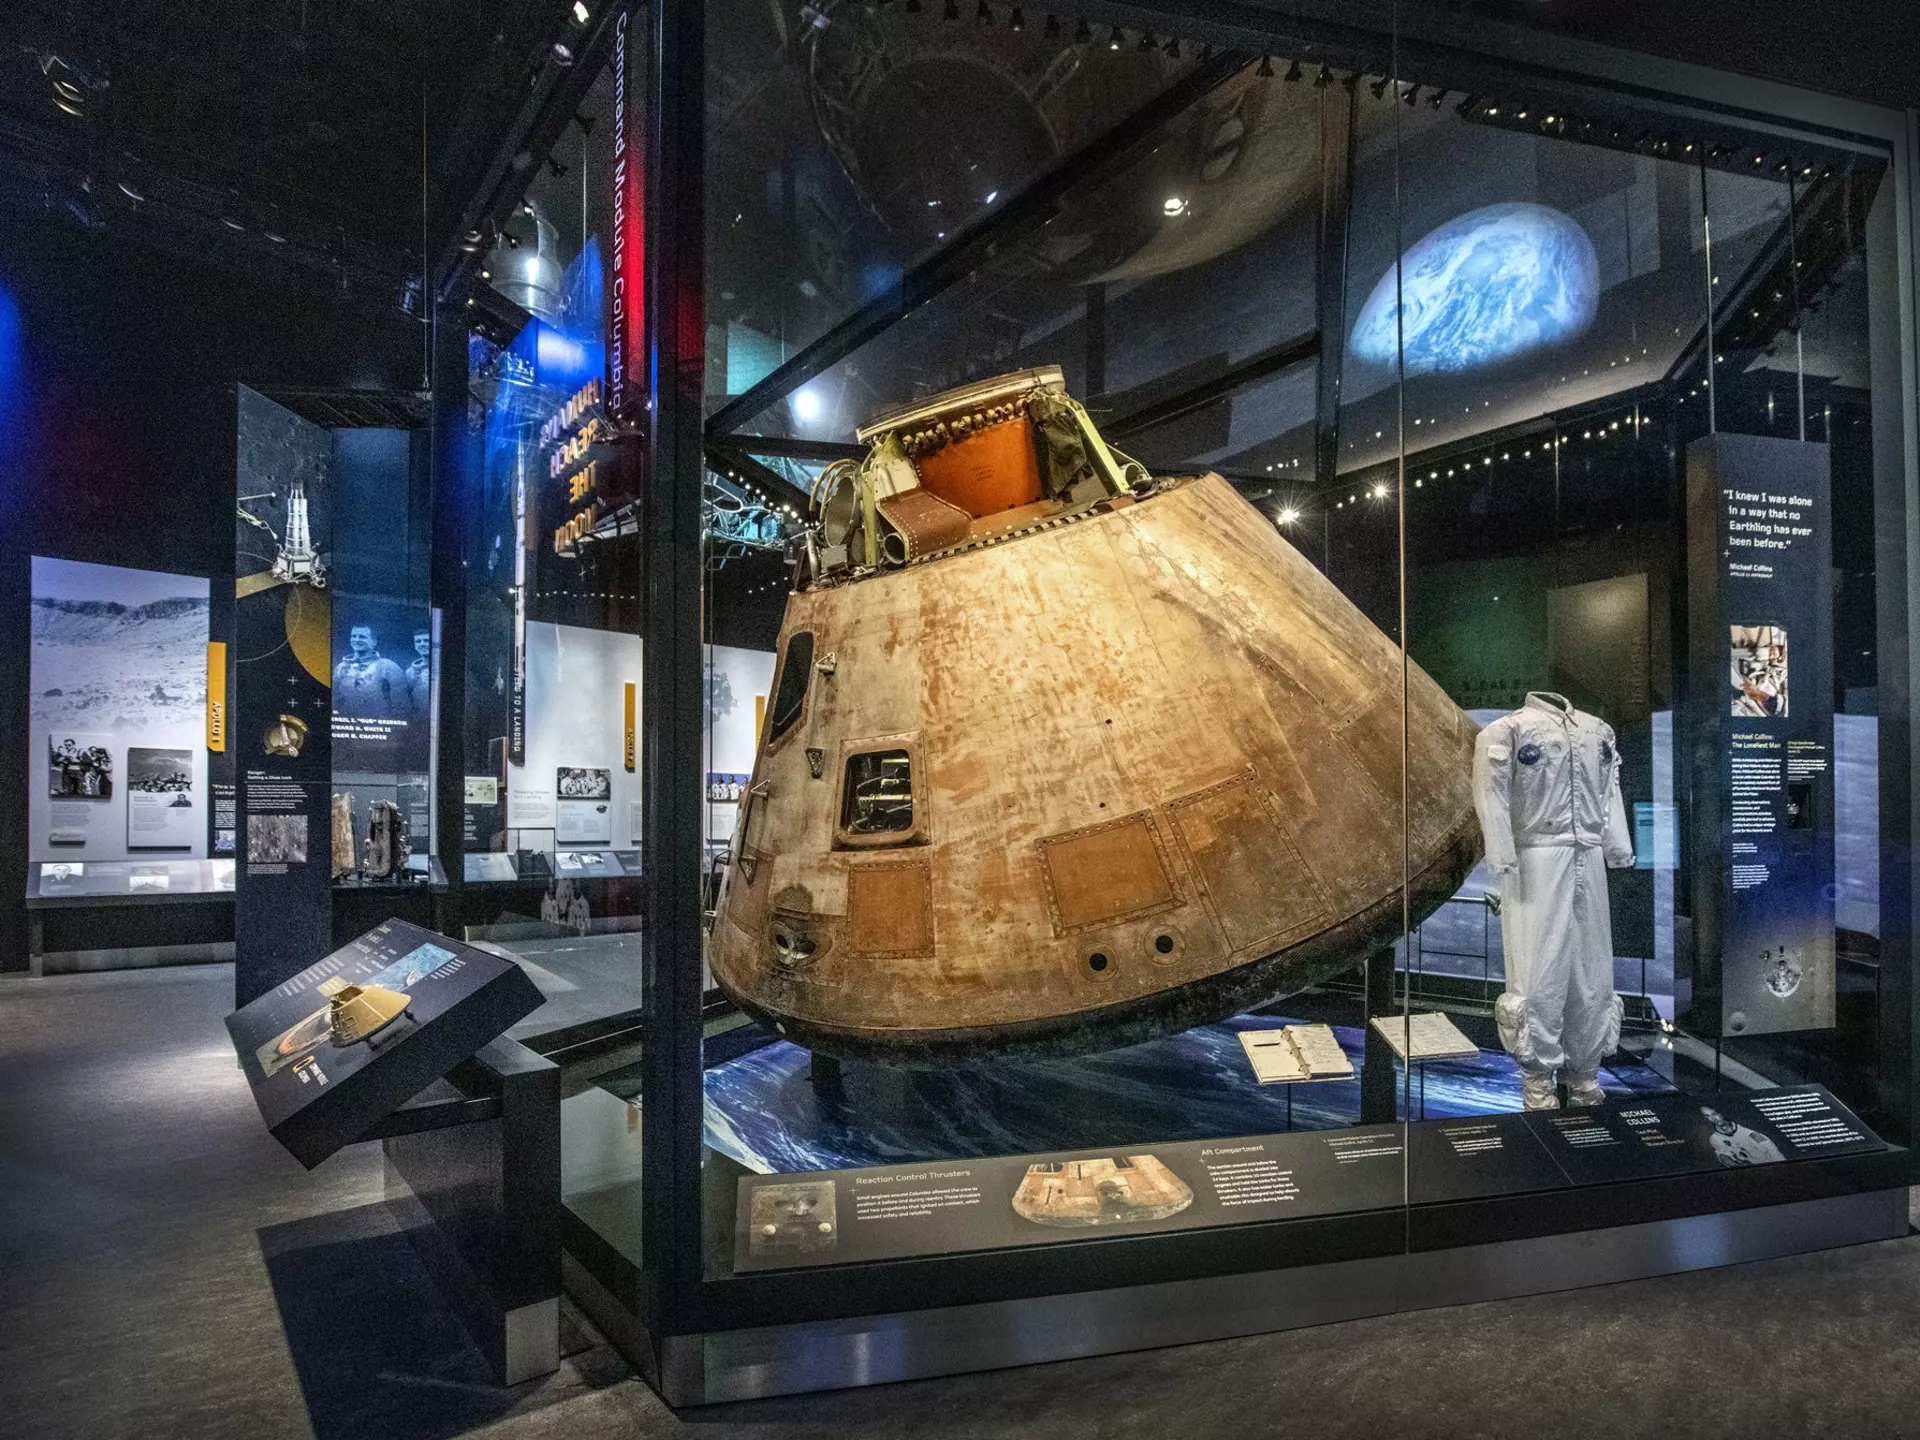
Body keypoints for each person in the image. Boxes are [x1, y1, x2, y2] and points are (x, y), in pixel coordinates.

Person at [1473, 692, 1635, 1111]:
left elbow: (1609, 792)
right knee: (1538, 972)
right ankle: (1538, 1083)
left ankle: (1585, 1076)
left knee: (1592, 973)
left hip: (1589, 858)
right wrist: (1502, 851)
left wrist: (1616, 846)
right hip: (1535, 858)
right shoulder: (1509, 731)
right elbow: (1491, 792)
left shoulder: (1596, 730)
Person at [334, 624, 408, 718]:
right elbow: (334, 701)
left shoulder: (389, 667)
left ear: (374, 642)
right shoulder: (340, 668)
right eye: (353, 636)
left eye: (362, 637)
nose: (356, 640)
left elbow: (402, 706)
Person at [1702, 1106, 1784, 1166]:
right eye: (1708, 1116)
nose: (1713, 1118)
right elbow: (1724, 1155)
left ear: (1720, 1113)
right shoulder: (1714, 1139)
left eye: (1714, 1114)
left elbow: (1772, 1149)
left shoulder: (1750, 1133)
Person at [406, 629, 431, 717]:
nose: (422, 644)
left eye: (426, 640)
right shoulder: (409, 672)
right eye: (418, 641)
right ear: (415, 646)